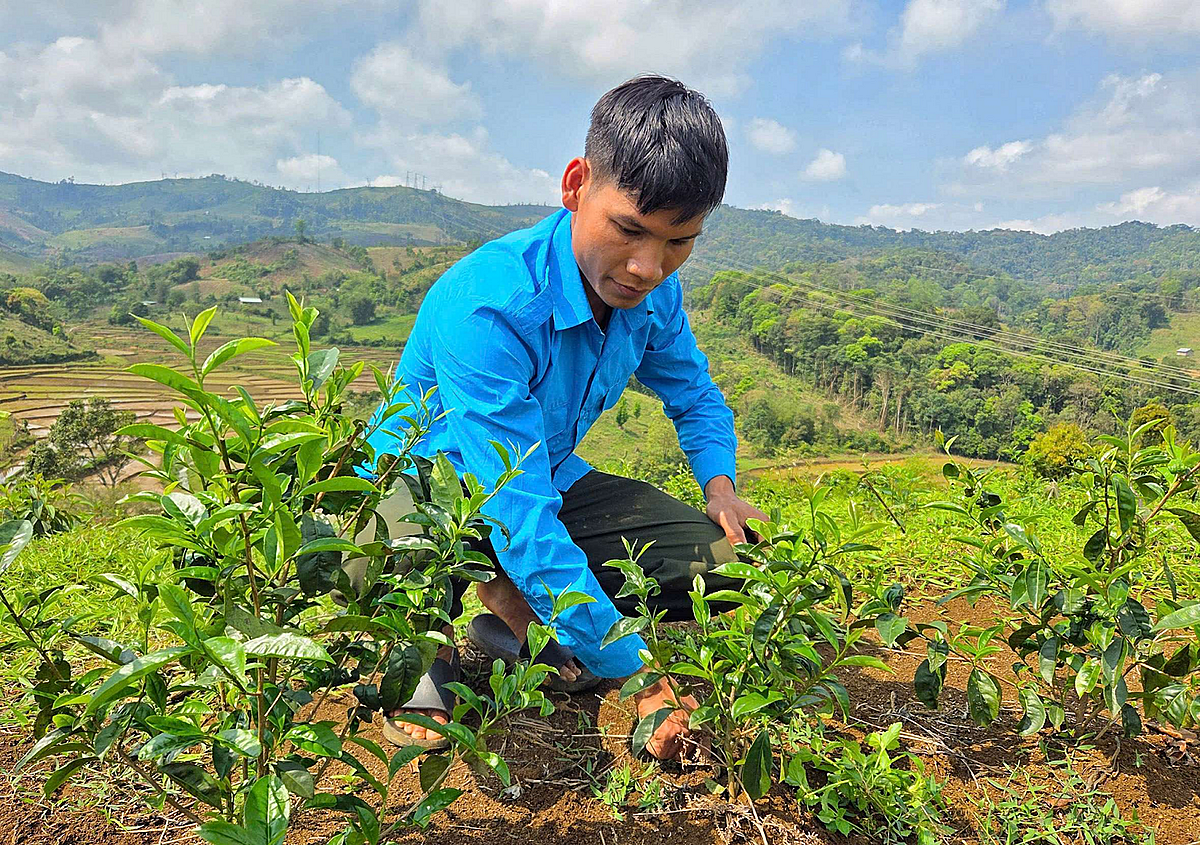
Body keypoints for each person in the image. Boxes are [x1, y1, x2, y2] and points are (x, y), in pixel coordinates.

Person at [358, 75, 768, 760]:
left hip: (537, 472)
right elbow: (512, 511)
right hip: (427, 482)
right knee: (400, 540)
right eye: (629, 230)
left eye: (678, 242)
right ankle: (425, 653)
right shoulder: (490, 306)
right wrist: (639, 676)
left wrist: (719, 487)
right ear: (577, 184)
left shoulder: (652, 295)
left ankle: (533, 621)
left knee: (725, 562)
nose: (646, 267)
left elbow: (694, 395)